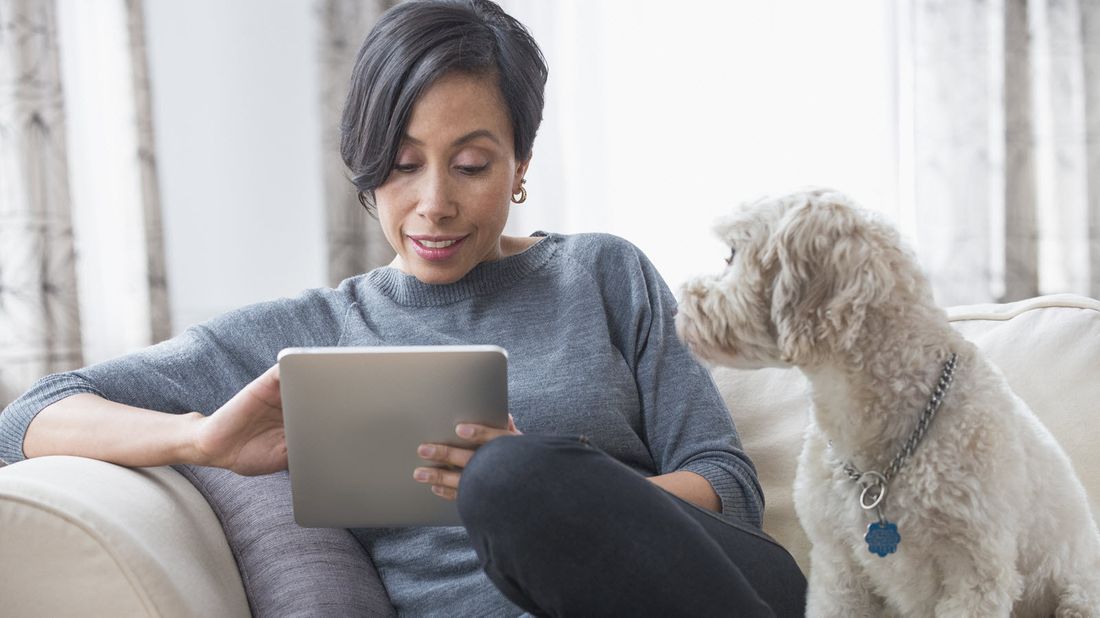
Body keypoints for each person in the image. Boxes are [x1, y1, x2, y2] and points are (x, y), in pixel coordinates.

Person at [0, 0, 806, 615]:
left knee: (512, 477)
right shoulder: (308, 334)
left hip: (711, 590)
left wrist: (567, 490)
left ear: (521, 164)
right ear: (366, 170)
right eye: (403, 165)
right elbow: (26, 420)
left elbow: (726, 484)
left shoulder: (601, 273)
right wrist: (201, 436)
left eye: (472, 165)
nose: (434, 204)